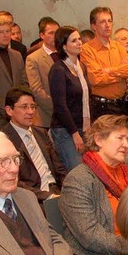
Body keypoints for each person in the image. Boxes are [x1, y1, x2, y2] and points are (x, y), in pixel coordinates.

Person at [59, 115, 128, 255]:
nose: (127, 144)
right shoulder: (79, 180)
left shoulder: (126, 173)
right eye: (120, 138)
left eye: (127, 139)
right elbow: (91, 237)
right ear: (99, 140)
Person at [1, 87, 67, 202]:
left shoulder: (41, 133)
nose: (31, 112)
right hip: (32, 198)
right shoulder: (4, 139)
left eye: (33, 107)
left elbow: (59, 168)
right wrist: (47, 196)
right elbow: (15, 182)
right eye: (24, 107)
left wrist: (71, 187)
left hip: (56, 191)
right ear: (9, 110)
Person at [81, 7, 128, 118]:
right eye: (103, 21)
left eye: (110, 21)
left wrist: (110, 70)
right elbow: (96, 79)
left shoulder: (117, 46)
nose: (107, 25)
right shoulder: (87, 49)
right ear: (93, 26)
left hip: (121, 104)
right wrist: (121, 73)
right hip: (102, 106)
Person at [49, 26, 92, 171]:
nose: (79, 43)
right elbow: (60, 105)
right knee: (77, 171)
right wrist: (74, 133)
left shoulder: (82, 67)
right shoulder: (58, 69)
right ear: (64, 46)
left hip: (83, 127)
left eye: (79, 39)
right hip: (65, 129)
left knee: (90, 169)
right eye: (74, 41)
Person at [25, 18, 60, 129]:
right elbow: (37, 90)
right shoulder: (33, 58)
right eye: (51, 33)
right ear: (42, 35)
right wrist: (59, 108)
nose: (55, 36)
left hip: (69, 116)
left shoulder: (66, 55)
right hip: (46, 117)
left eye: (57, 33)